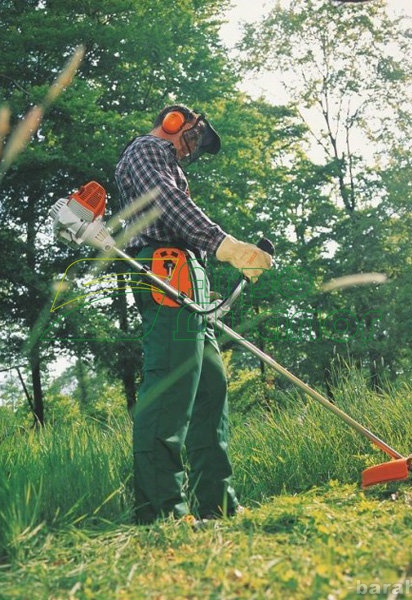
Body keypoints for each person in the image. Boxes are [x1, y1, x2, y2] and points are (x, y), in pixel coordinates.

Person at [114, 104, 272, 524]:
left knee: (210, 392)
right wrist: (229, 246)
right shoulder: (145, 150)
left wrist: (210, 262)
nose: (191, 151)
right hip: (167, 268)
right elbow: (164, 203)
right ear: (173, 120)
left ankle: (217, 506)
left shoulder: (171, 163)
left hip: (188, 271)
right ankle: (162, 512)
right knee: (171, 388)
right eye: (192, 138)